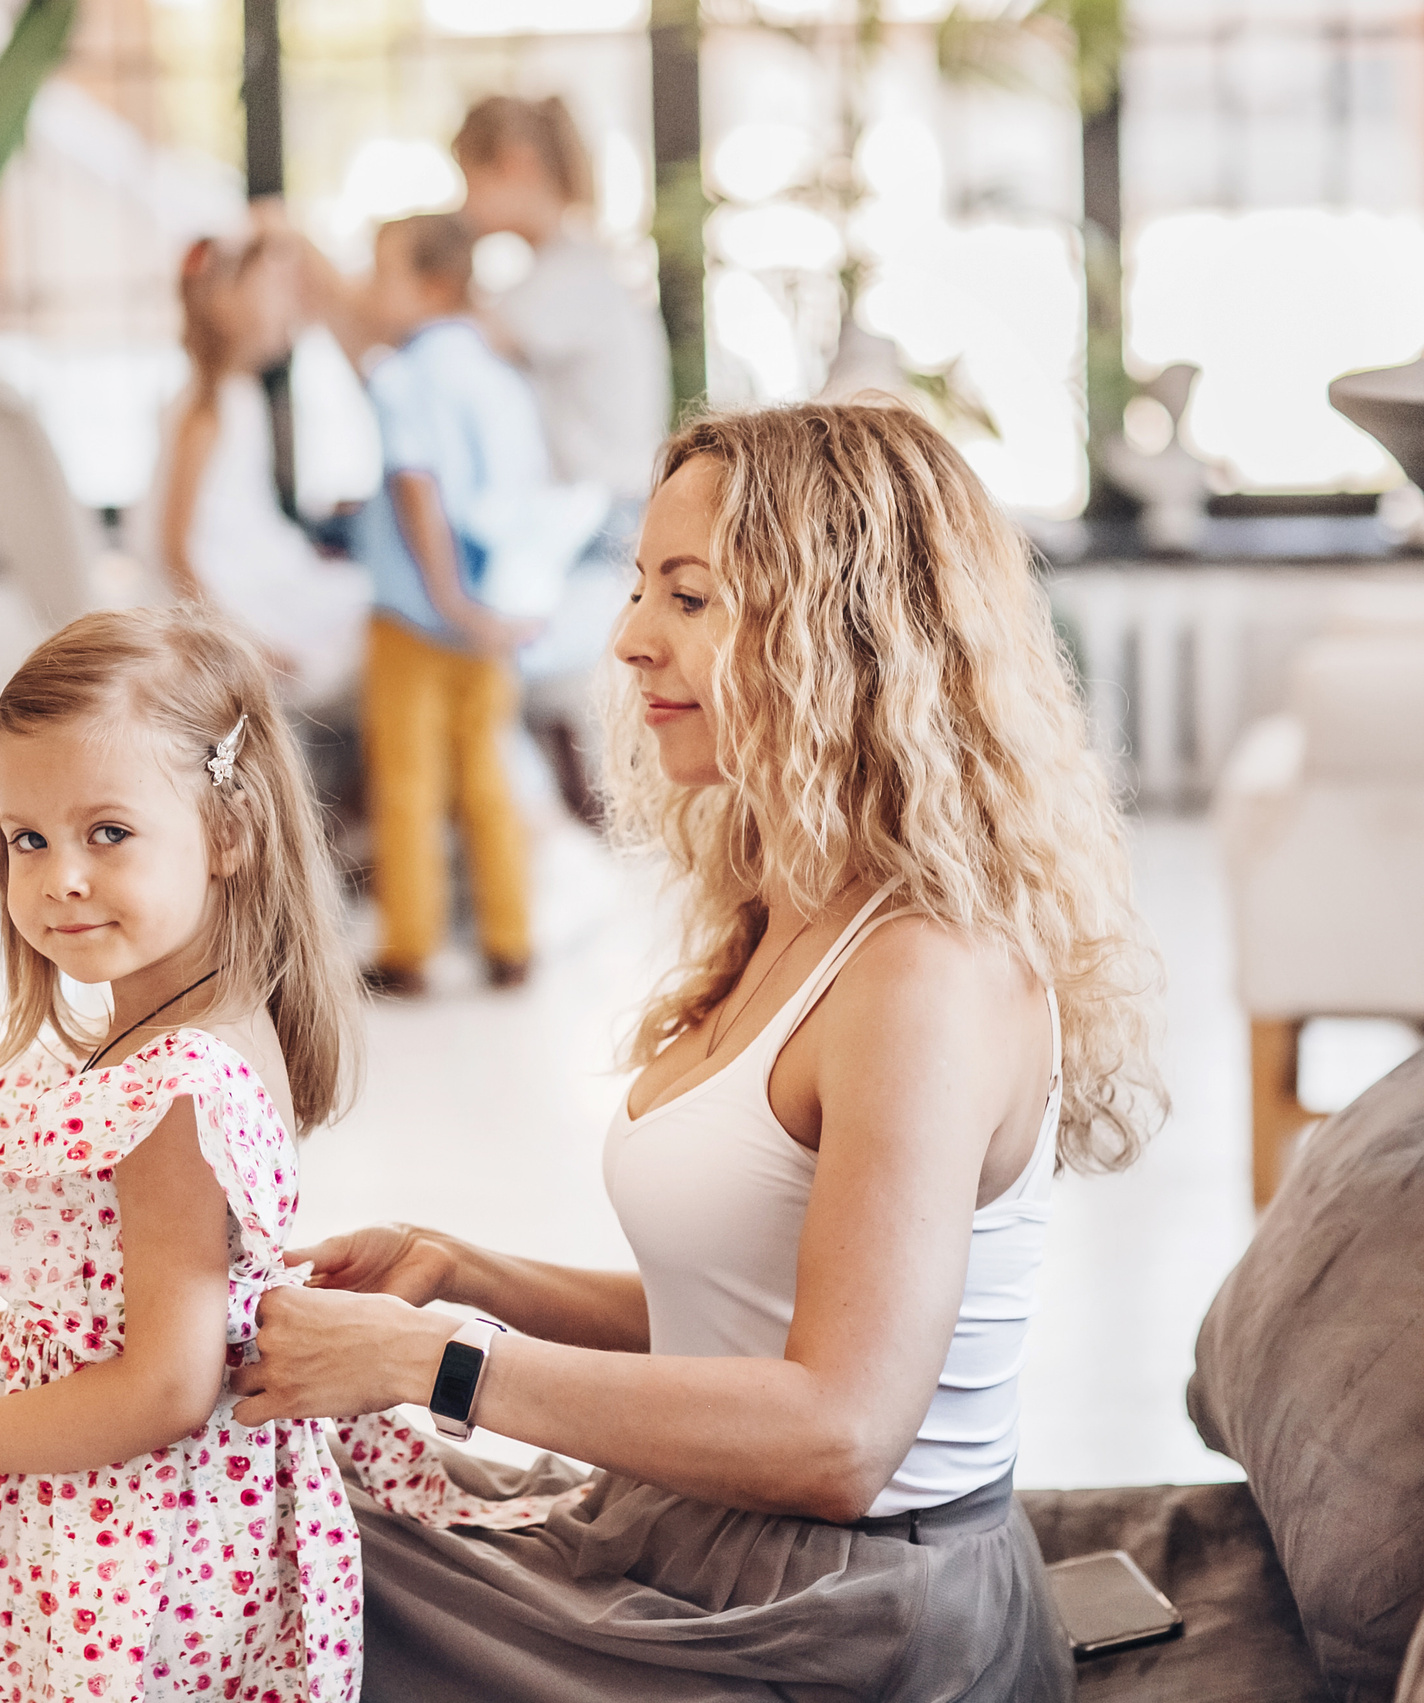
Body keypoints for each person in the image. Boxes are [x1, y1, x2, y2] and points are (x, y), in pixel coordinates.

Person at [226, 402, 1167, 1700]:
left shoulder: (924, 974)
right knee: (239, 1478)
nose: (628, 638)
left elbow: (839, 1431)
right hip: (724, 1541)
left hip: (854, 1617)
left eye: (690, 594)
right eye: (638, 587)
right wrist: (463, 1272)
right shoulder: (795, 900)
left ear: (843, 626)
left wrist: (430, 1360)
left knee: (250, 1552)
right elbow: (747, 1313)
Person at [0, 605, 579, 1703]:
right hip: (191, 1512)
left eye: (109, 831)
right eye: (28, 837)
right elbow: (179, 1280)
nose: (61, 876)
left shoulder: (169, 1090)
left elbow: (164, 1380)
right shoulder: (209, 1022)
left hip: (137, 1533)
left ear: (227, 830)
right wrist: (10, 1331)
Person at [343, 213, 556, 997]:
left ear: (431, 287)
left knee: (408, 782)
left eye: (381, 273)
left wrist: (446, 597)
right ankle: (511, 939)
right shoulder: (496, 373)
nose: (368, 290)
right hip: (495, 614)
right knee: (489, 773)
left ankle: (411, 946)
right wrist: (492, 607)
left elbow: (417, 488)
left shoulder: (406, 376)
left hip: (418, 617)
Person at [133, 233, 373, 701]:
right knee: (365, 617)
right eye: (272, 291)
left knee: (364, 599)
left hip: (258, 563)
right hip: (224, 588)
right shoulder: (205, 411)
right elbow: (173, 546)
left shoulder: (239, 394)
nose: (288, 307)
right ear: (226, 307)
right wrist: (237, 640)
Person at [453, 94, 670, 503]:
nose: (464, 205)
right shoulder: (569, 263)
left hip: (609, 506)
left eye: (470, 180)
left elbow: (463, 331)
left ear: (517, 163)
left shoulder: (577, 272)